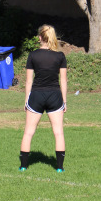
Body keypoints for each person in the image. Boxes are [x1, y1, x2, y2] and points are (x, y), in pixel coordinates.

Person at [19, 25, 67, 173]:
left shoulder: (33, 55)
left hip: (36, 96)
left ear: (40, 37)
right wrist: (64, 101)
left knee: (28, 132)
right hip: (55, 96)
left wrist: (26, 100)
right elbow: (63, 81)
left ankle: (23, 166)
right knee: (58, 132)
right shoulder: (60, 56)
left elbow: (28, 81)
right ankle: (59, 168)